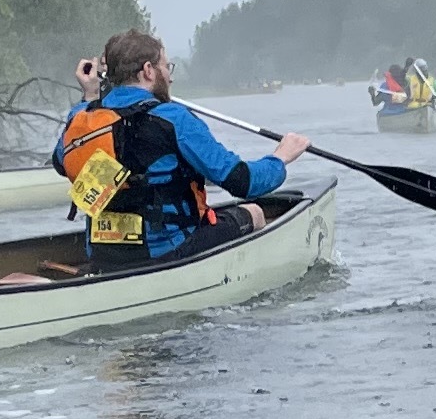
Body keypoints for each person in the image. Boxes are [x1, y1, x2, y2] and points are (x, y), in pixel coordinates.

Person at [58, 28, 305, 270]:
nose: (170, 77)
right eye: (166, 67)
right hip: (170, 252)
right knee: (254, 212)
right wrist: (280, 158)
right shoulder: (174, 119)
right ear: (148, 71)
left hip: (105, 257)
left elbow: (61, 162)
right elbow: (243, 182)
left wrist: (89, 95)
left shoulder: (82, 119)